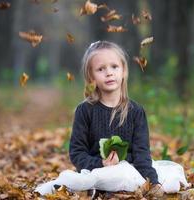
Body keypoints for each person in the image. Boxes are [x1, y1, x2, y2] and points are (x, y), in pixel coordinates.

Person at [69, 40, 163, 196]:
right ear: (91, 76)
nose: (109, 73)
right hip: (96, 173)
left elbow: (142, 153)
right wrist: (101, 163)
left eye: (114, 66)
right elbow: (77, 152)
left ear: (124, 71)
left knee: (152, 183)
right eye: (101, 69)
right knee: (78, 185)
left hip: (129, 173)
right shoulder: (85, 110)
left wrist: (153, 182)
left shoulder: (136, 112)